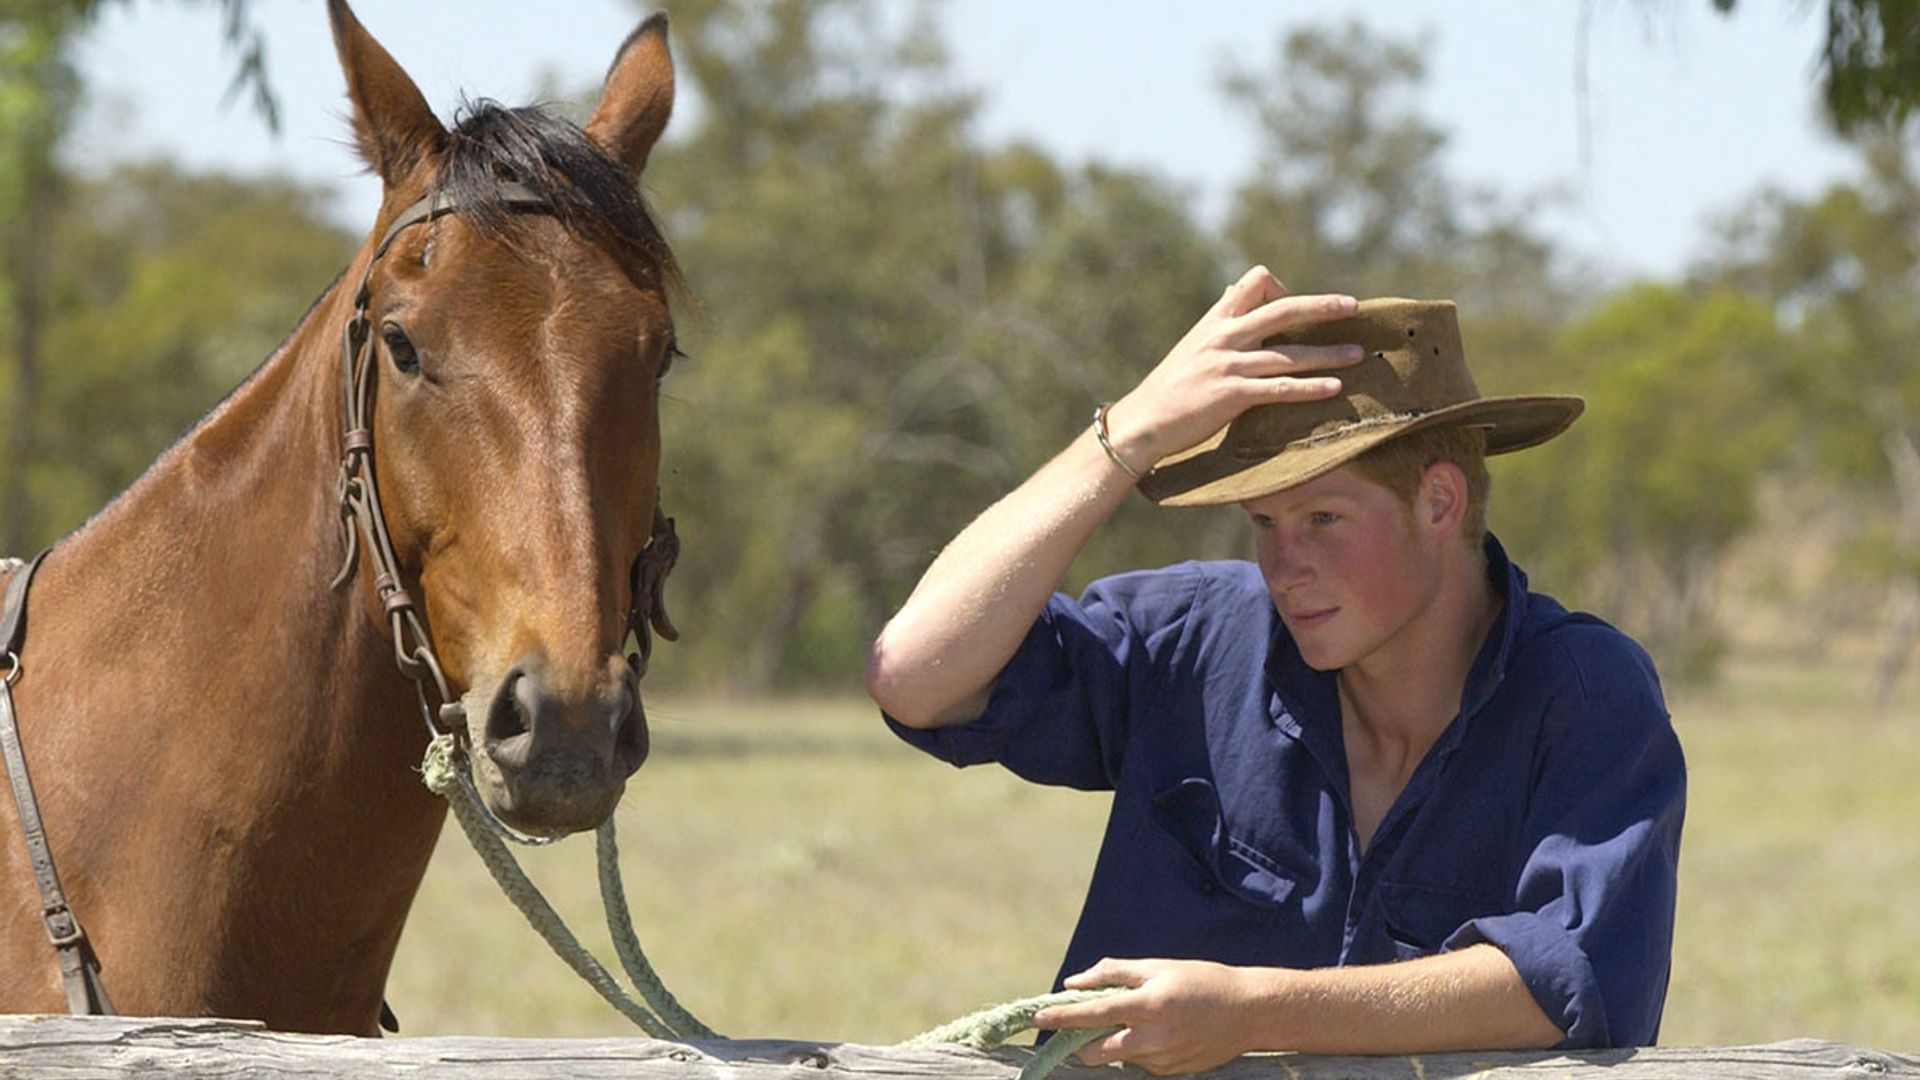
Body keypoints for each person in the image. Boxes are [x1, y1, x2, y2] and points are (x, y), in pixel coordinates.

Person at [865, 267, 1686, 1075]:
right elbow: (916, 676)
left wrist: (1248, 1013)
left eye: (1323, 518)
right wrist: (1126, 436)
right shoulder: (1195, 634)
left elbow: (1560, 984)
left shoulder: (1585, 692)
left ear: (1440, 503)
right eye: (1264, 521)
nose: (1283, 565)